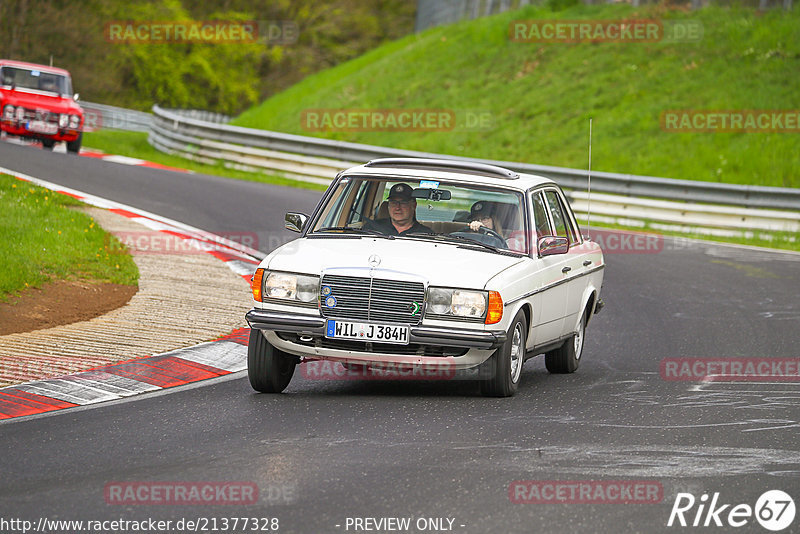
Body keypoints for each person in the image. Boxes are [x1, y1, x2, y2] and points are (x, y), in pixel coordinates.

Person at [365, 183, 432, 236]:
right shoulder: (371, 228)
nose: (397, 208)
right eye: (393, 202)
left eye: (403, 203)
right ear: (388, 205)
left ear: (414, 205)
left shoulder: (425, 234)